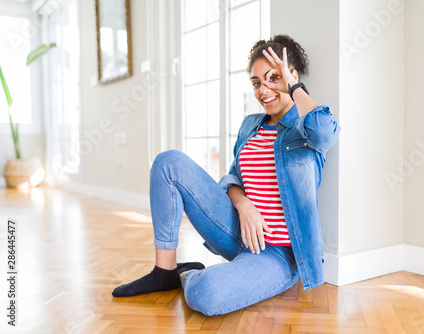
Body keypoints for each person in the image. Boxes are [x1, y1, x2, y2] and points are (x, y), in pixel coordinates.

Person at [112, 35, 340, 316]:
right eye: (257, 83)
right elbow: (232, 179)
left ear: (291, 76)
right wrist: (244, 205)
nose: (264, 90)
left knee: (208, 294)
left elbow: (326, 132)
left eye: (273, 77)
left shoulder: (306, 130)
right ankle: (165, 271)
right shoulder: (250, 126)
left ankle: (187, 276)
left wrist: (293, 87)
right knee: (168, 162)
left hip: (279, 254)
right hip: (237, 230)